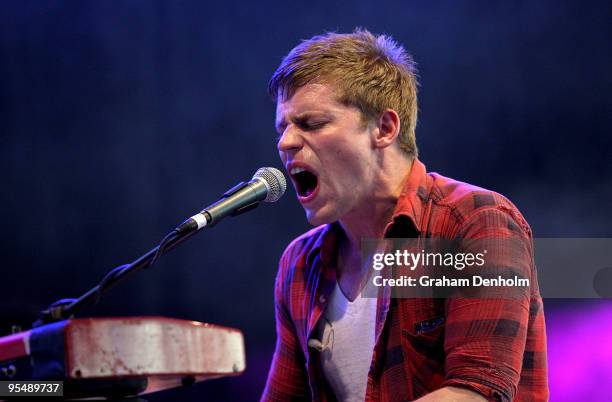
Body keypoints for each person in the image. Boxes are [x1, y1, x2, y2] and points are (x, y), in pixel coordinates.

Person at [262, 29, 548, 402]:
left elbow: (478, 393)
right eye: (283, 128)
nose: (285, 143)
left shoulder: (474, 221)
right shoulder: (299, 264)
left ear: (384, 128)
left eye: (311, 123)